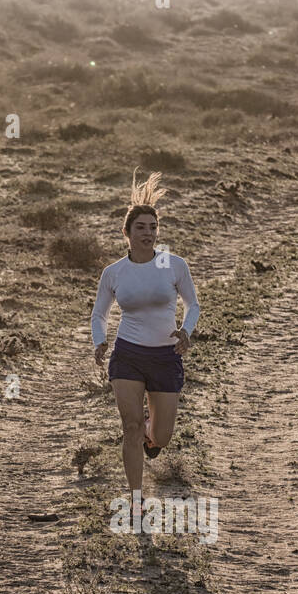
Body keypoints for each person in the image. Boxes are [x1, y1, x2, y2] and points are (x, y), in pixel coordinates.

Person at [91, 169, 200, 503]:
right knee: (130, 427)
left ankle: (152, 437)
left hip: (166, 356)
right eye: (141, 227)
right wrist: (100, 340)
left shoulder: (173, 264)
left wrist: (186, 331)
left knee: (162, 436)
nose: (148, 233)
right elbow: (99, 313)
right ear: (126, 232)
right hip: (128, 355)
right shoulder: (115, 272)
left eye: (154, 228)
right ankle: (136, 498)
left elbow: (193, 305)